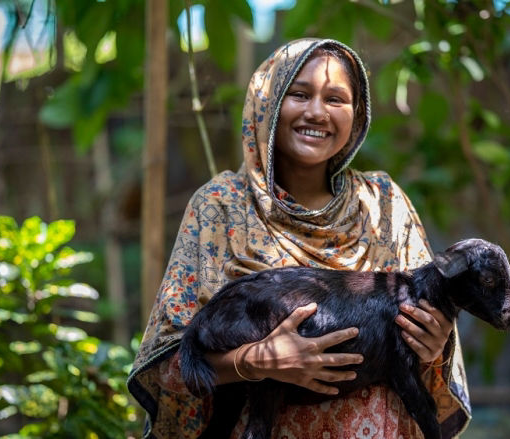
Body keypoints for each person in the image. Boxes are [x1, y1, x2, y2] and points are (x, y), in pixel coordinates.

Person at [128, 38, 472, 438]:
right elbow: (172, 366)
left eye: (335, 99)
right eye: (300, 94)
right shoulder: (220, 206)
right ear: (268, 104)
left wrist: (434, 345)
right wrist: (258, 360)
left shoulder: (384, 203)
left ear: (357, 114)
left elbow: (429, 353)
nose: (317, 113)